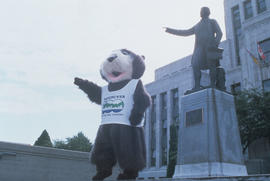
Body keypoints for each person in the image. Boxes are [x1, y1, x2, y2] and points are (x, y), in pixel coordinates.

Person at [164, 7, 224, 91]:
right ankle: (197, 86)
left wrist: (215, 44)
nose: (201, 12)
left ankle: (212, 84)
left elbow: (219, 33)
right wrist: (170, 30)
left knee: (212, 65)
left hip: (210, 47)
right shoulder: (197, 26)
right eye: (201, 11)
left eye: (203, 11)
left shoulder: (212, 22)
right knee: (195, 64)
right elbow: (185, 32)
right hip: (199, 48)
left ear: (208, 12)